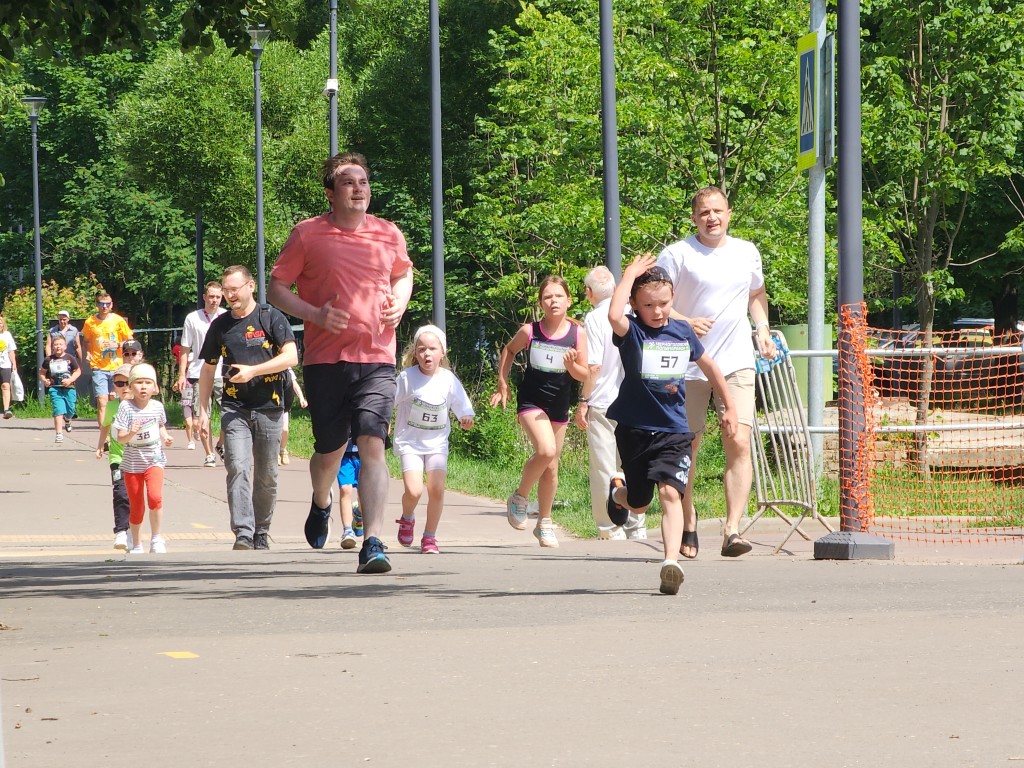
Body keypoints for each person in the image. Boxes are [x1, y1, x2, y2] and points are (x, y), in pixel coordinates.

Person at [269, 151, 413, 574]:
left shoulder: (389, 234)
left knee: (372, 442)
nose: (358, 188)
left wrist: (400, 303)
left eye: (364, 181)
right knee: (329, 452)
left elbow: (404, 274)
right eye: (348, 182)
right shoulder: (307, 235)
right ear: (331, 193)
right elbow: (278, 288)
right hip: (325, 359)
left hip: (377, 357)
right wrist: (314, 314)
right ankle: (321, 501)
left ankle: (373, 540)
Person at [656, 187, 776, 559]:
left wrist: (762, 329)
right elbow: (653, 303)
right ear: (694, 217)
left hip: (736, 360)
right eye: (704, 212)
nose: (712, 218)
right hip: (686, 365)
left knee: (739, 440)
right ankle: (688, 520)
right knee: (686, 447)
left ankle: (732, 530)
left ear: (729, 213)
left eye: (718, 211)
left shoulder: (746, 251)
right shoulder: (677, 254)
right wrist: (686, 321)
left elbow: (757, 295)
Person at [605, 255, 737, 594]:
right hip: (634, 429)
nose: (657, 310)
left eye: (663, 303)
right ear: (635, 304)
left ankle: (670, 563)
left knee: (669, 493)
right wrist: (630, 274)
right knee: (639, 503)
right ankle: (618, 494)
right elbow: (613, 315)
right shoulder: (631, 330)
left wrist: (728, 407)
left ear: (672, 299)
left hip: (675, 430)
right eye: (648, 304)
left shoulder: (682, 331)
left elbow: (710, 368)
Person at [198, 265, 298, 551]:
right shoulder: (220, 325)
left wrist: (253, 371)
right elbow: (207, 369)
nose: (230, 295)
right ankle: (243, 532)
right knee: (238, 467)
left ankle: (261, 531)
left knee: (267, 474)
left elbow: (291, 357)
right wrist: (202, 410)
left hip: (270, 406)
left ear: (250, 286)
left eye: (234, 289)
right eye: (226, 290)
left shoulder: (270, 317)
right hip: (234, 408)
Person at [490, 276, 589, 548]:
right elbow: (508, 351)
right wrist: (503, 383)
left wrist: (572, 367)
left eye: (559, 296)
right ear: (540, 304)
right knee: (545, 451)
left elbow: (585, 373)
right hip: (531, 402)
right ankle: (520, 497)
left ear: (569, 301)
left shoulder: (577, 334)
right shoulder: (530, 331)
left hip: (559, 404)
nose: (553, 301)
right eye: (548, 297)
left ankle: (544, 523)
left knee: (552, 467)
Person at [393, 325, 475, 554]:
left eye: (432, 349)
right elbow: (388, 400)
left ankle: (429, 537)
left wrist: (466, 418)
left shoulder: (448, 379)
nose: (427, 354)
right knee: (414, 491)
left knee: (436, 489)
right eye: (421, 349)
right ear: (414, 353)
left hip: (437, 444)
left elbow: (463, 407)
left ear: (442, 352)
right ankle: (407, 517)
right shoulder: (407, 378)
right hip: (410, 443)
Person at [575, 265, 637, 541]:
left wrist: (583, 400)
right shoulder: (632, 312)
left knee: (604, 466)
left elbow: (594, 366)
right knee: (632, 465)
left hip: (603, 401)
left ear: (589, 293)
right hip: (633, 400)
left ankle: (610, 528)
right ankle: (637, 524)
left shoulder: (594, 318)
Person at [112, 363, 173, 554]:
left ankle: (156, 539)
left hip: (154, 459)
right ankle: (137, 544)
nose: (144, 387)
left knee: (155, 497)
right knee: (137, 506)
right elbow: (120, 438)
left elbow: (160, 425)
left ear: (155, 387)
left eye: (148, 382)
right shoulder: (125, 407)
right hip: (132, 463)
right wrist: (131, 433)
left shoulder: (157, 407)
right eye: (139, 382)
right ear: (130, 387)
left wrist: (165, 436)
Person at [175, 282, 227, 467]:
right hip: (199, 372)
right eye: (211, 296)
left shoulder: (226, 316)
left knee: (229, 414)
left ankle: (221, 443)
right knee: (202, 415)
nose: (214, 300)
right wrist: (182, 374)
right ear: (204, 297)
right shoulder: (192, 318)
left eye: (218, 297)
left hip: (223, 372)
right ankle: (209, 453)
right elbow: (185, 348)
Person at [82, 292, 134, 429]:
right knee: (102, 400)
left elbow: (130, 342)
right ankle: (104, 436)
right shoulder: (90, 322)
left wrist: (117, 345)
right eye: (101, 304)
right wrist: (88, 352)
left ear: (111, 305)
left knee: (119, 399)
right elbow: (86, 340)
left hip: (117, 367)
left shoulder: (118, 321)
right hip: (98, 367)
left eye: (107, 304)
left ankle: (120, 429)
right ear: (96, 305)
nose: (104, 307)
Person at [96, 364, 133, 550]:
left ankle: (135, 531)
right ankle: (121, 531)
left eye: (128, 382)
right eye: (119, 383)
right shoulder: (112, 406)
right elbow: (105, 426)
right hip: (118, 458)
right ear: (114, 386)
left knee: (137, 497)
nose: (124, 387)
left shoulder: (143, 406)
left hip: (140, 459)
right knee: (120, 494)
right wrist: (100, 445)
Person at [39, 335, 81, 443]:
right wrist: (45, 381)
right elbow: (42, 372)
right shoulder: (49, 359)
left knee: (70, 410)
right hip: (55, 389)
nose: (58, 347)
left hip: (69, 388)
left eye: (60, 344)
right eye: (56, 344)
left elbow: (78, 371)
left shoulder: (70, 358)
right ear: (53, 346)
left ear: (65, 346)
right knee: (58, 410)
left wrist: (70, 380)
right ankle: (59, 434)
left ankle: (67, 419)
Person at [278, 368, 308, 466]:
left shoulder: (288, 369)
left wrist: (301, 399)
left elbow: (295, 385)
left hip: (284, 405)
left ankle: (282, 450)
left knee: (284, 429)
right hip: (271, 405)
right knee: (273, 431)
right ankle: (274, 453)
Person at [336, 445, 362, 549]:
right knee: (345, 489)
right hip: (344, 453)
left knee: (364, 492)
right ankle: (347, 530)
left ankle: (358, 513)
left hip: (365, 452)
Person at [0, 313, 18, 419]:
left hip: (5, 364)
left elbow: (11, 351)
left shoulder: (7, 335)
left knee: (5, 386)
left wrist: (14, 363)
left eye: (0, 322)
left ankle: (6, 409)